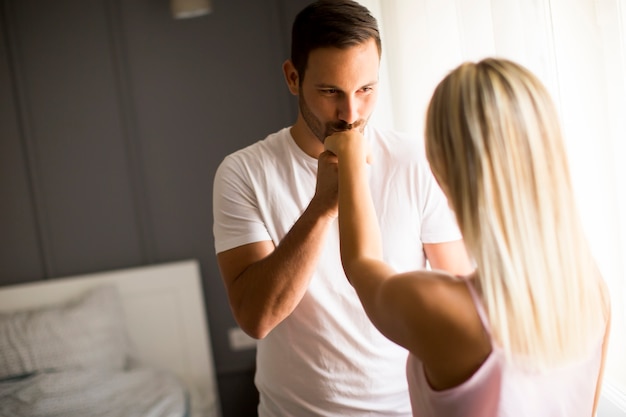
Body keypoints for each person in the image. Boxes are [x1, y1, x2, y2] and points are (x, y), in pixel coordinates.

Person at [212, 1, 473, 415]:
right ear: (293, 78)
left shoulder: (415, 159)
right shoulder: (243, 172)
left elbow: (461, 294)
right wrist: (323, 206)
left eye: (365, 90)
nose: (351, 114)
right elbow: (256, 318)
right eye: (331, 91)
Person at [324, 57, 611, 417]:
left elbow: (361, 264)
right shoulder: (593, 289)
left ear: (443, 168)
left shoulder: (442, 307)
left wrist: (351, 157)